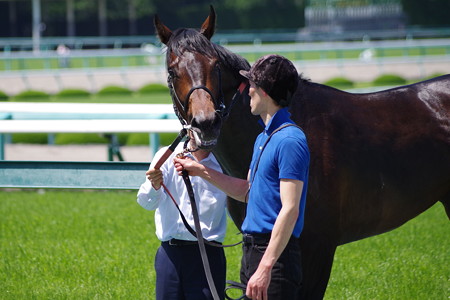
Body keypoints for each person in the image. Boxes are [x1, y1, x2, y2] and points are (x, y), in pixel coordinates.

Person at [174, 54, 309, 300]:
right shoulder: (263, 138)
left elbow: (290, 210)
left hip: (274, 257)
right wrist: (200, 171)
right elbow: (248, 192)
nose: (248, 91)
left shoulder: (289, 141)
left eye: (253, 86)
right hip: (253, 252)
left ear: (265, 92)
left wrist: (265, 267)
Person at [137, 133, 228, 300]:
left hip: (209, 254)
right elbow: (146, 203)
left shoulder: (225, 161)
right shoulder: (166, 156)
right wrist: (154, 185)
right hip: (170, 254)